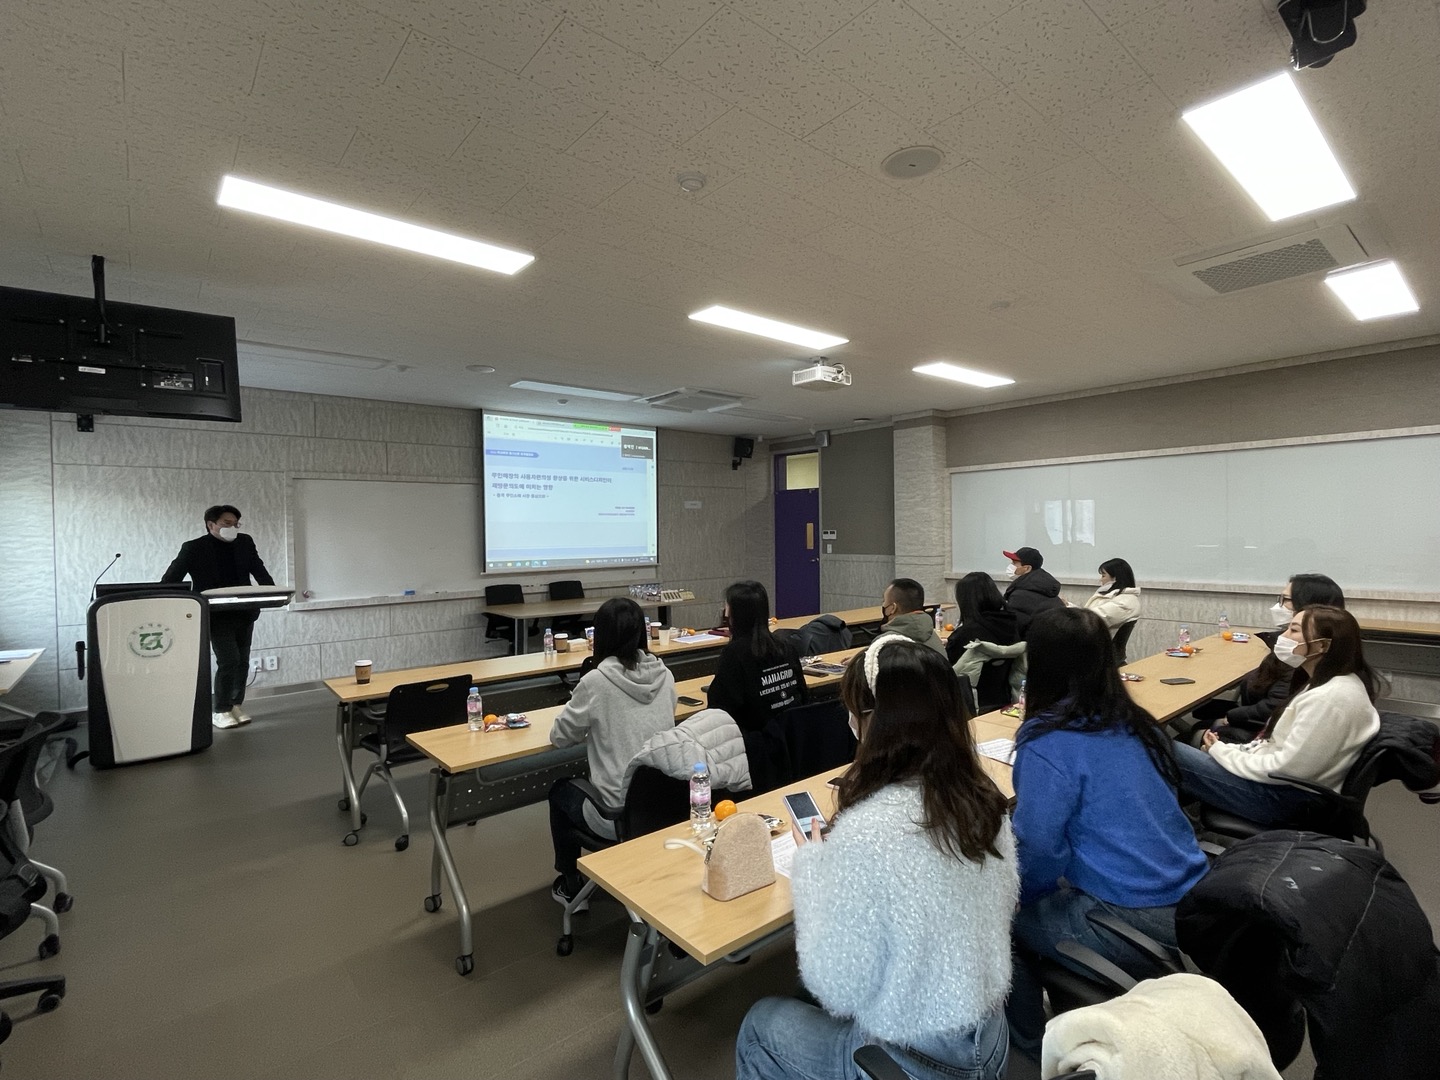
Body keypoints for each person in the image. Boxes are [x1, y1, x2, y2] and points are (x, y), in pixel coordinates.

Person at [735, 636, 1017, 1080]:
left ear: (874, 721)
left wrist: (813, 873)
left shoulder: (867, 832)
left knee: (759, 1024)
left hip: (914, 1059)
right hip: (991, 1039)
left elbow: (836, 990)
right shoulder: (983, 802)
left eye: (854, 710)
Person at [1006, 607, 1208, 1058]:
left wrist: (1019, 897)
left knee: (996, 920)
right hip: (1194, 897)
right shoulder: (1136, 722)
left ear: (1041, 665)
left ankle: (1036, 1050)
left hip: (1134, 915)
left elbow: (1040, 851)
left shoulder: (1048, 742)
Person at [1173, 605, 1381, 826]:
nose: (1283, 636)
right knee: (1163, 749)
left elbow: (1284, 768)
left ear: (1322, 645)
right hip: (1284, 788)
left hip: (1284, 800)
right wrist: (1230, 750)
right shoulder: (1330, 683)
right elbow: (1278, 751)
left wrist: (1220, 751)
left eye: (1294, 630)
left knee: (1158, 747)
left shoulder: (1330, 698)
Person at [547, 597, 677, 909]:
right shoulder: (665, 674)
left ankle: (571, 886)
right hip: (665, 806)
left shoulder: (596, 682)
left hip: (616, 816)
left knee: (560, 791)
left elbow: (560, 737)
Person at [1192, 573, 1346, 743]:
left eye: (1286, 599)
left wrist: (1230, 717)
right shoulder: (1317, 652)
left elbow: (1275, 707)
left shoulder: (1302, 656)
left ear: (1310, 607)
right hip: (1260, 723)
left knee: (1188, 735)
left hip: (1263, 736)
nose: (1278, 606)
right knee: (1200, 719)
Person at [161, 504, 275, 730]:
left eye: (236, 524)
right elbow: (171, 579)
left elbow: (259, 569)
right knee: (229, 660)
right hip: (216, 614)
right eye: (227, 523)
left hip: (245, 611)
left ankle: (235, 705)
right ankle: (221, 710)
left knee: (242, 661)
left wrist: (272, 591)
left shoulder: (245, 542)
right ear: (211, 524)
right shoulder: (194, 548)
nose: (233, 528)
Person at [706, 580, 807, 733]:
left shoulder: (734, 654)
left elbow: (718, 707)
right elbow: (803, 695)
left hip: (755, 741)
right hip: (792, 735)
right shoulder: (786, 647)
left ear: (732, 614)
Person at [946, 572, 1019, 712]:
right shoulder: (1011, 624)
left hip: (973, 704)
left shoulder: (966, 634)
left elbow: (951, 670)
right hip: (1005, 699)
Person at [1001, 546, 1064, 638]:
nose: (1011, 566)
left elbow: (1014, 627)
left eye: (1014, 563)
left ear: (1027, 568)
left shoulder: (1020, 595)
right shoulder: (1044, 587)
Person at [880, 576, 945, 655]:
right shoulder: (934, 638)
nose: (883, 604)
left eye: (884, 600)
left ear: (893, 608)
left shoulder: (883, 644)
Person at [1080, 558, 1141, 630]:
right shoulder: (1118, 597)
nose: (1100, 580)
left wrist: (1071, 613)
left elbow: (1093, 619)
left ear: (1115, 578)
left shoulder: (1125, 602)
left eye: (1103, 576)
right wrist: (1069, 607)